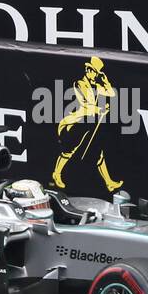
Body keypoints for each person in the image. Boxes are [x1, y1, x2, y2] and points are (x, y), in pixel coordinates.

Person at [52, 56, 124, 192]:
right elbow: (86, 106)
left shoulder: (96, 85)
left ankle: (108, 183)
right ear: (88, 70)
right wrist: (100, 109)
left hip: (90, 124)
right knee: (69, 150)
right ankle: (57, 174)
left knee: (98, 153)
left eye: (97, 73)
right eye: (94, 72)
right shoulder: (80, 84)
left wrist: (105, 81)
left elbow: (111, 93)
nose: (95, 75)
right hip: (77, 122)